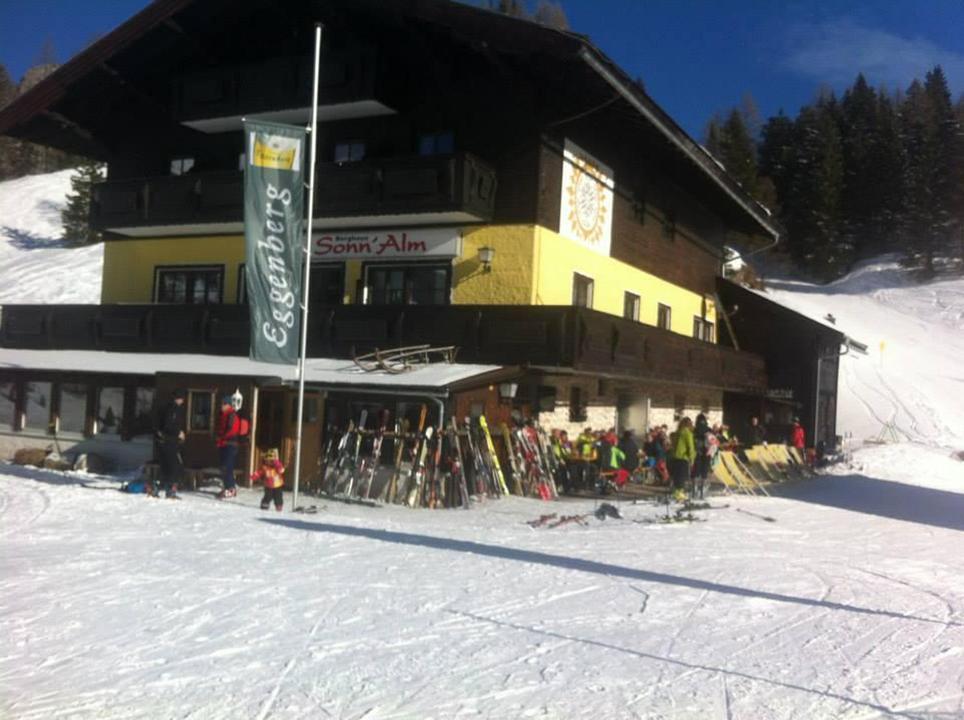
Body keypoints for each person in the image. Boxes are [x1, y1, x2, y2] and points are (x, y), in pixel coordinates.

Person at [155, 389, 186, 498]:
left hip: (163, 441)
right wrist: (178, 433)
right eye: (182, 398)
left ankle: (156, 488)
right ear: (178, 399)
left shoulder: (166, 407)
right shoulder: (174, 409)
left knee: (166, 466)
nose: (183, 400)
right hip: (169, 441)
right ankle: (170, 491)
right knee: (174, 466)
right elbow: (168, 425)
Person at [216, 395, 243, 499]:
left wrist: (221, 437)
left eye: (223, 404)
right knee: (224, 467)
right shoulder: (223, 415)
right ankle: (227, 487)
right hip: (224, 444)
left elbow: (231, 430)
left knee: (228, 467)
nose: (221, 406)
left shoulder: (231, 415)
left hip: (230, 444)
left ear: (228, 405)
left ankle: (231, 488)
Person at [669, 416, 696, 494]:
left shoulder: (678, 432)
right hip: (683, 457)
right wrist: (692, 458)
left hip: (675, 456)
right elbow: (690, 446)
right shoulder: (688, 433)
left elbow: (673, 444)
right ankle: (680, 493)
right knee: (683, 476)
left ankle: (676, 491)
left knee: (677, 476)